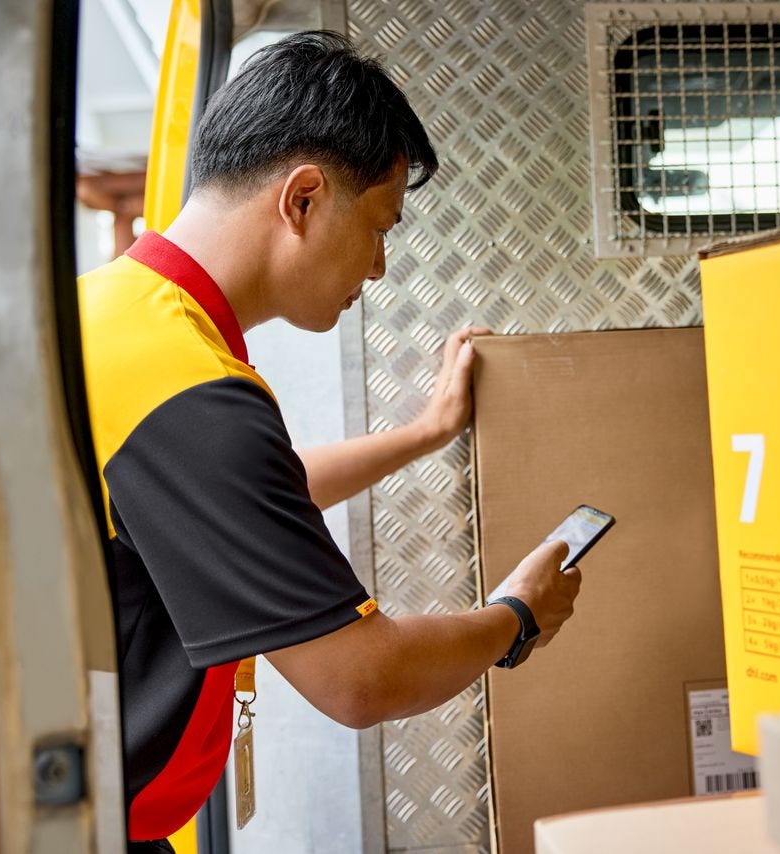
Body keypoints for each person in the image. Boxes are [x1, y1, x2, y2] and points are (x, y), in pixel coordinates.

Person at [78, 30, 582, 851]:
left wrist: (425, 432)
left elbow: (246, 501)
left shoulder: (115, 315)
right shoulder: (191, 394)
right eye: (381, 226)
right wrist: (516, 615)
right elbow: (361, 678)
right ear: (303, 198)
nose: (379, 268)